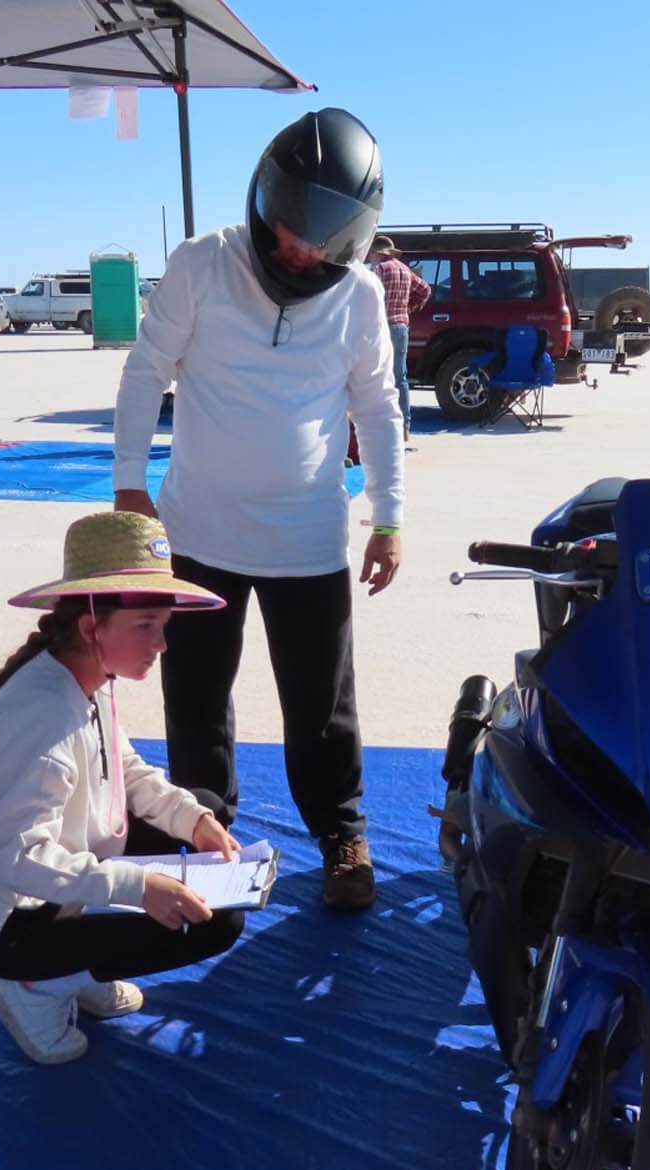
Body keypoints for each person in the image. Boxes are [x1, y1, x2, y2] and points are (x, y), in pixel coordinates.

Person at [111, 107, 404, 912]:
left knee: (322, 705)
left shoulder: (359, 295)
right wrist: (129, 483)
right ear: (264, 199)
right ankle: (203, 831)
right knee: (196, 699)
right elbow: (145, 371)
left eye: (323, 239)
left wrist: (387, 517)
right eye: (290, 229)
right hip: (197, 531)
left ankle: (341, 834)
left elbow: (378, 409)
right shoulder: (201, 264)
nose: (301, 251)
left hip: (307, 538)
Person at [0, 511, 245, 1066]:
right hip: (11, 927)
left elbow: (125, 769)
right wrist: (139, 886)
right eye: (146, 626)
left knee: (207, 808)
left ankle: (78, 969)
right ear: (91, 628)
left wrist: (192, 820)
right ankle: (35, 983)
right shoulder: (42, 717)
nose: (161, 644)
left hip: (60, 894)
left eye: (163, 626)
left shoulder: (87, 676)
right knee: (215, 924)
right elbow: (16, 856)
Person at [367, 235, 429, 438]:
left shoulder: (378, 270)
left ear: (378, 253)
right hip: (401, 326)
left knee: (376, 375)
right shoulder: (405, 269)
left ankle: (381, 424)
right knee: (400, 376)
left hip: (381, 326)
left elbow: (367, 295)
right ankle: (404, 426)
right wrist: (410, 308)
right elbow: (425, 290)